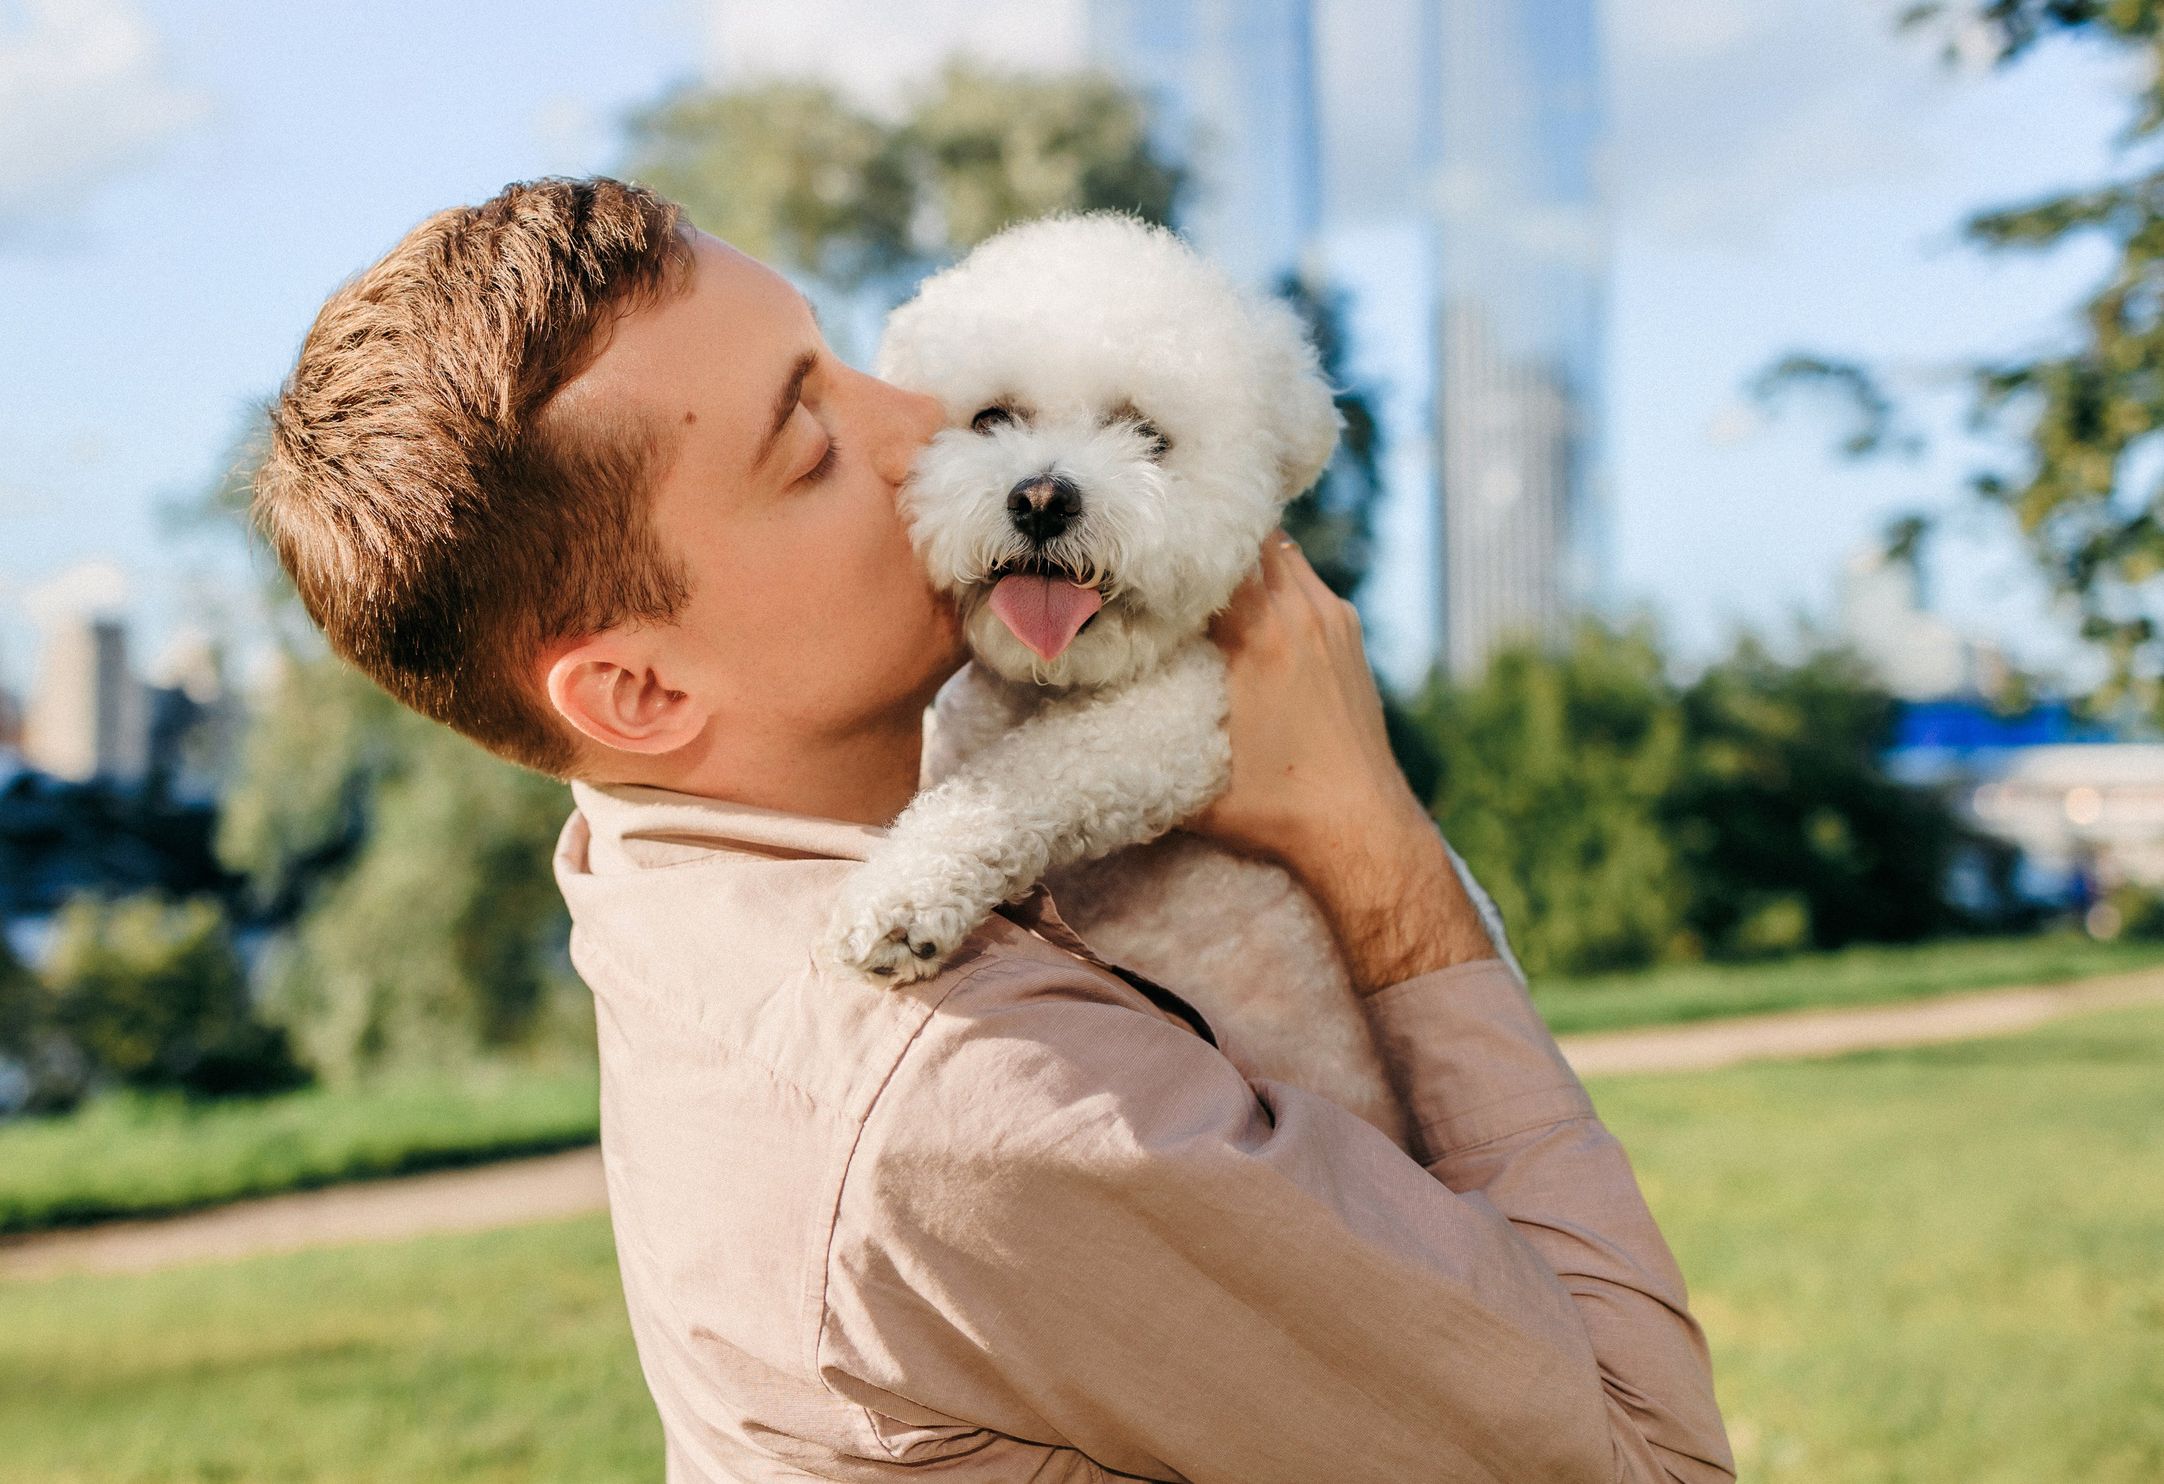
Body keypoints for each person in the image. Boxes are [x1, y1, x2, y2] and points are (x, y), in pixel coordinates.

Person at [256, 177, 1735, 1482]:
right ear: (637, 690)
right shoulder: (987, 1109)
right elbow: (1645, 1463)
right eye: (810, 442)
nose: (916, 427)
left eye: (841, 362)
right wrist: (1369, 835)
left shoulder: (652, 884)